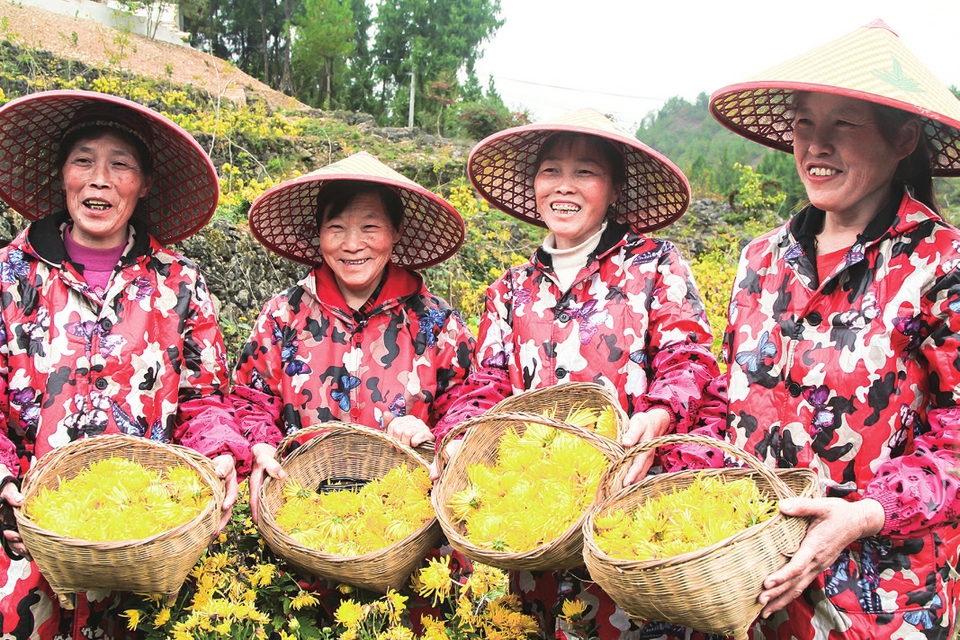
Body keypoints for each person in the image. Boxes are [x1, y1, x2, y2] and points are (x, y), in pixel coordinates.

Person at [704, 19, 960, 639]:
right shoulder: (759, 260)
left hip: (878, 601)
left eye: (842, 125)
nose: (815, 146)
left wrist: (866, 514)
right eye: (804, 126)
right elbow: (729, 406)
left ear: (902, 138)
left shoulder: (941, 265)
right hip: (753, 585)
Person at [434, 108, 726, 639]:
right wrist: (460, 438)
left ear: (614, 189)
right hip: (535, 526)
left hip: (628, 511)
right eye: (551, 171)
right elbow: (487, 385)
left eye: (585, 171)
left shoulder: (655, 265)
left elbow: (691, 360)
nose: (563, 187)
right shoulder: (510, 290)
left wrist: (659, 414)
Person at [0, 89, 251, 639]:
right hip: (25, 544)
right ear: (61, 174)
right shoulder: (7, 278)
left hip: (145, 549)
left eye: (121, 165)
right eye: (83, 160)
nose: (99, 178)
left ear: (144, 185)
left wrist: (218, 454)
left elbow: (206, 401)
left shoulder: (180, 283)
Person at [230, 151, 475, 616]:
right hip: (299, 534)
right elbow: (248, 398)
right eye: (336, 227)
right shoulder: (284, 314)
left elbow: (467, 401)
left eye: (370, 226)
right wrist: (259, 445)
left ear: (396, 233)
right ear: (319, 235)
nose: (351, 244)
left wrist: (438, 437)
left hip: (407, 539)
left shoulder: (436, 320)